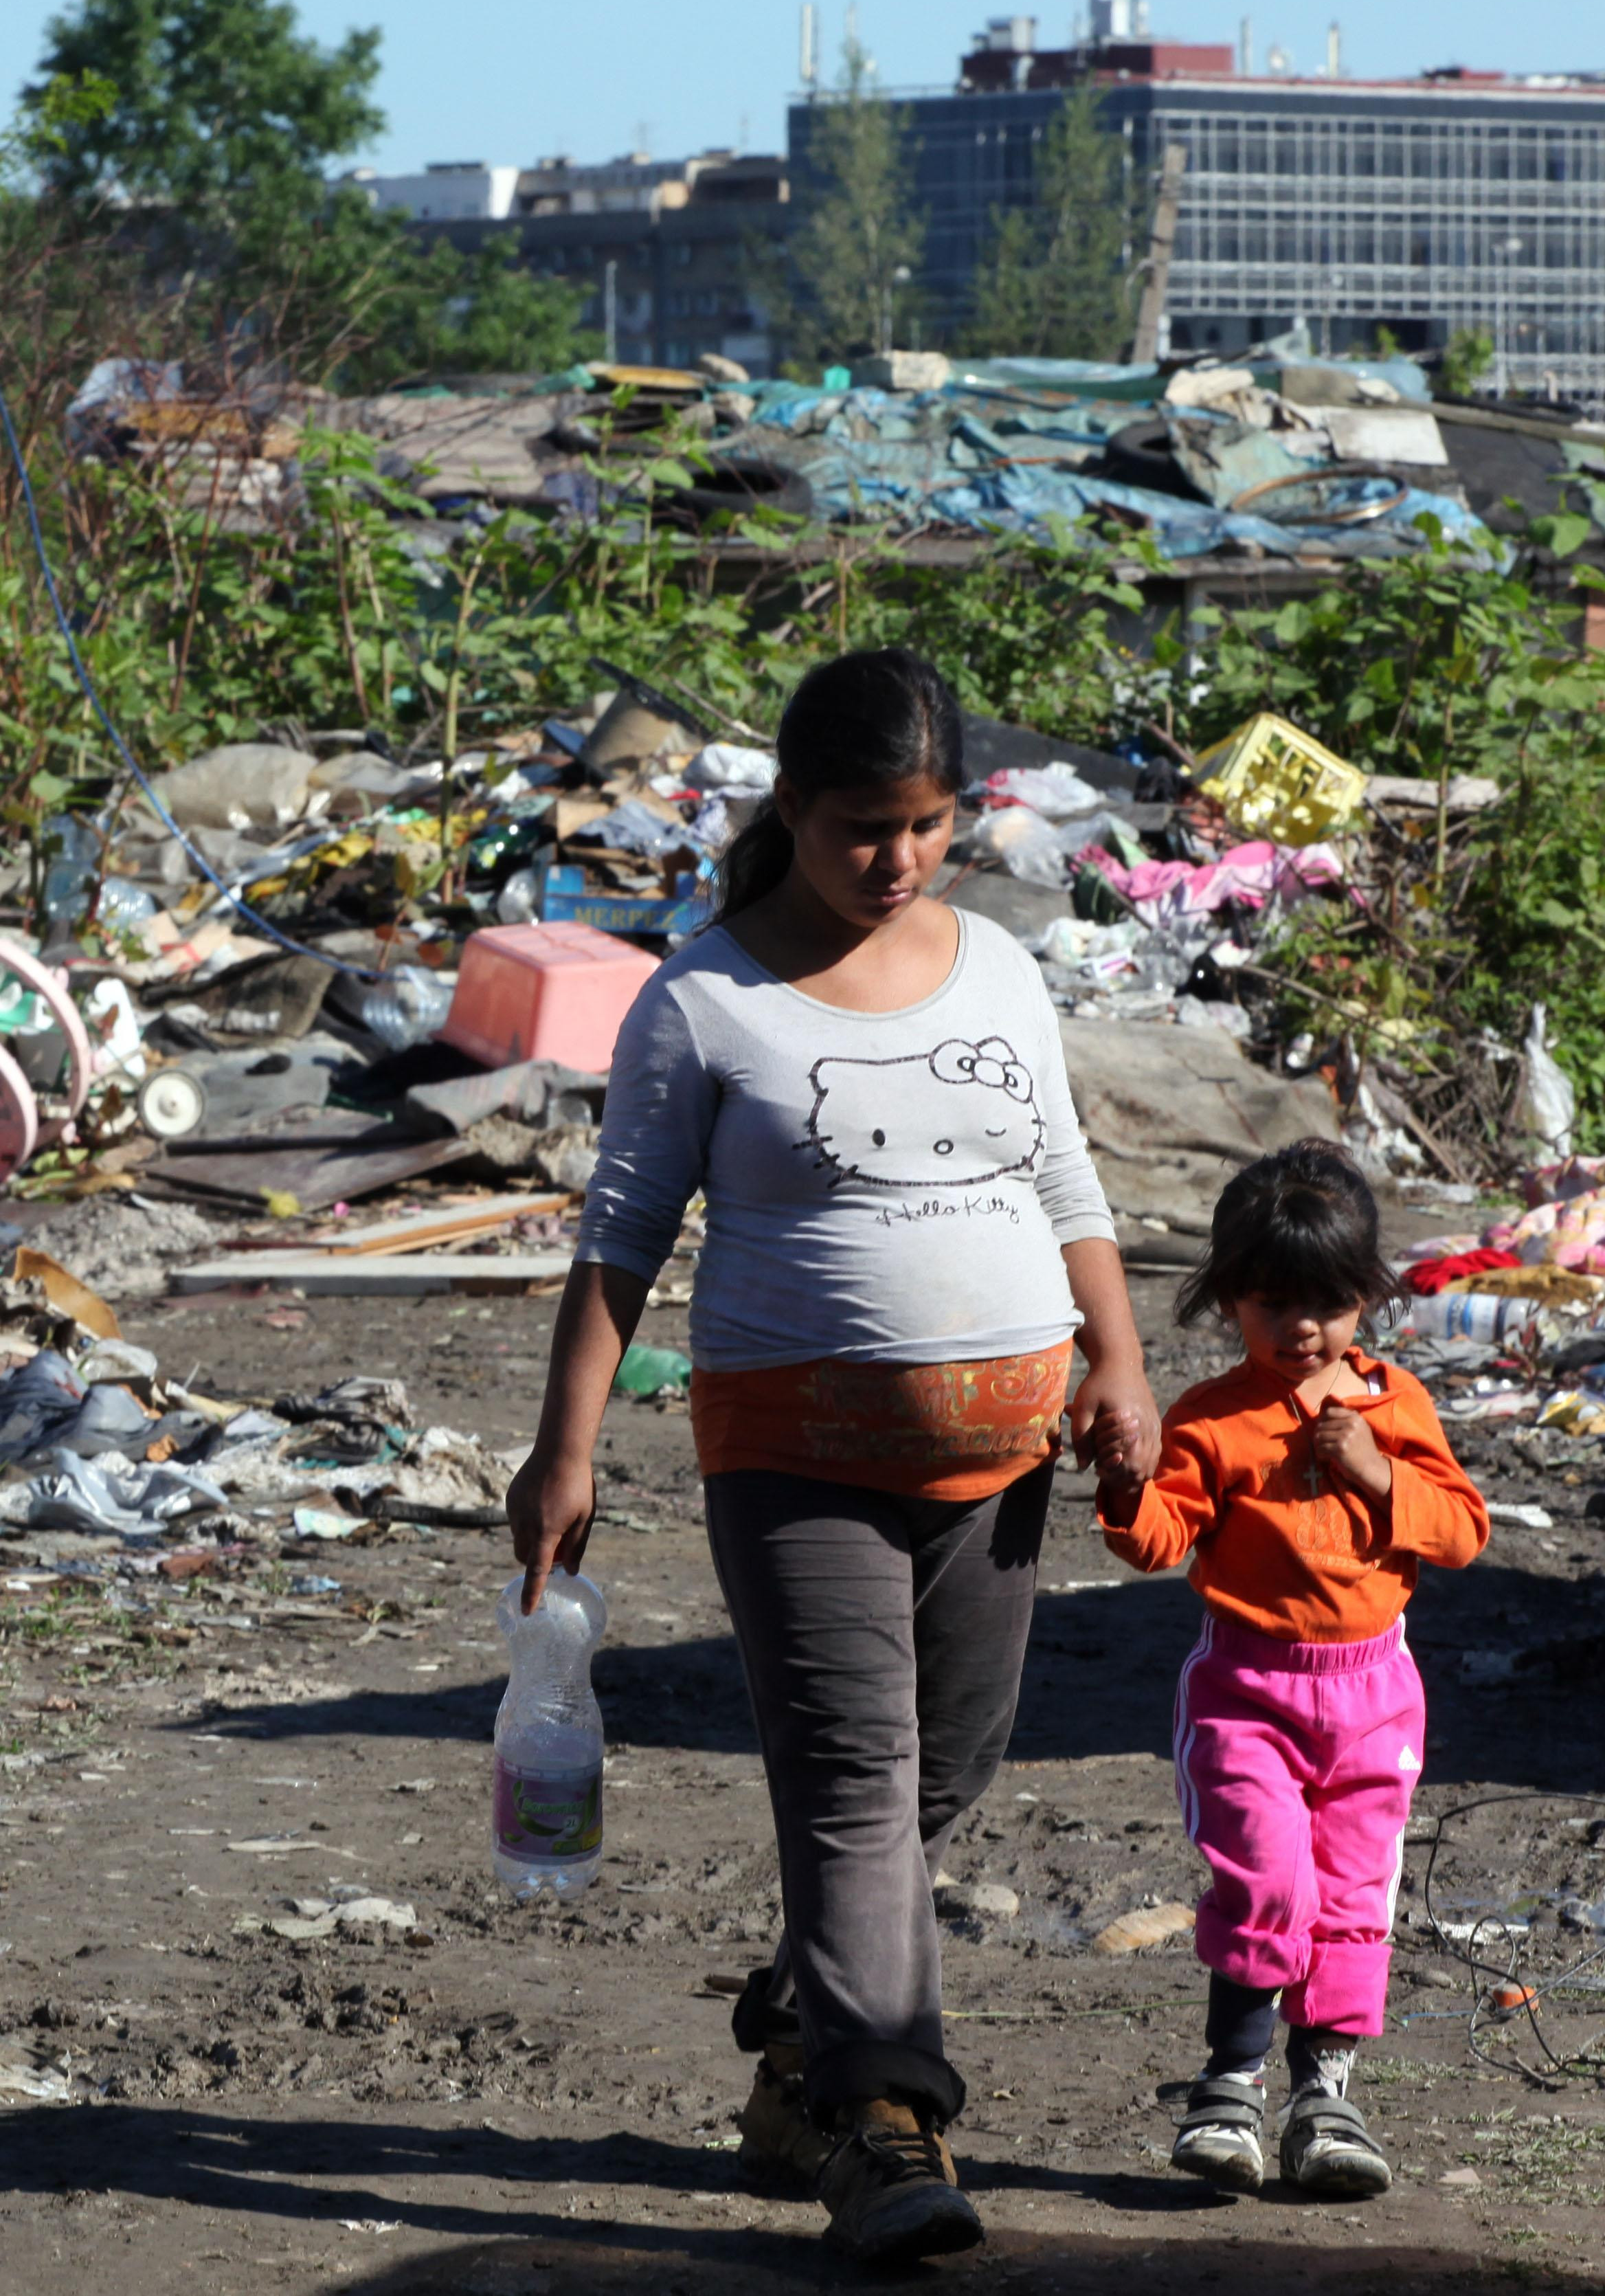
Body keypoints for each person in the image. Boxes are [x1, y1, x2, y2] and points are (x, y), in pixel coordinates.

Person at [507, 647, 1159, 2266]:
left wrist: (1123, 1361)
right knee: (857, 1777)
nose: (900, 859)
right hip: (792, 1456)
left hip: (1002, 1457)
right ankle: (882, 2123)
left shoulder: (1002, 970)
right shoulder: (707, 998)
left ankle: (801, 2035)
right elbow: (618, 1246)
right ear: (792, 808)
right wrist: (562, 1452)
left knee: (957, 1763)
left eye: (931, 824)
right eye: (868, 826)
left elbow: (1065, 1179)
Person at [1091, 1139, 1488, 2198]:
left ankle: (1327, 2094)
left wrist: (1373, 1473)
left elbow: (1459, 1532)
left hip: (1374, 1693)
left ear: (1364, 1297)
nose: (1299, 1326)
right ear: (1227, 1299)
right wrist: (1128, 1487)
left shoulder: (1393, 1407)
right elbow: (1159, 1536)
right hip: (1247, 1690)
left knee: (1354, 1894)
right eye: (1272, 1301)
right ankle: (1230, 2080)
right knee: (1268, 1880)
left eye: (1325, 1300)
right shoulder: (1210, 1415)